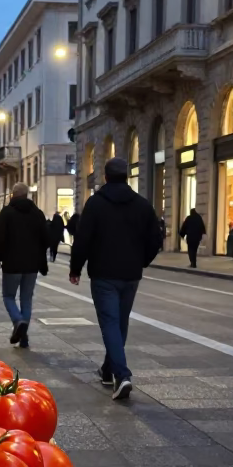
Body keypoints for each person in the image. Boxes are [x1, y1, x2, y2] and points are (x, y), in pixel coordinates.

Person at [70, 157, 162, 401]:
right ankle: (109, 370)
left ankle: (122, 374)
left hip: (103, 273)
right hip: (130, 274)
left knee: (110, 322)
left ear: (106, 177)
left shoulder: (96, 204)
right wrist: (141, 261)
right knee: (120, 322)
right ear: (127, 176)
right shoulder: (142, 205)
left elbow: (83, 239)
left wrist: (76, 268)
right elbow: (156, 239)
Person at [0, 183, 49, 348]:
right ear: (27, 195)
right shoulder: (37, 213)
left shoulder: (7, 213)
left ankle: (18, 321)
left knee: (8, 296)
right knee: (26, 298)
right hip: (32, 264)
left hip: (12, 263)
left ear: (12, 195)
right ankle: (23, 337)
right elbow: (46, 238)